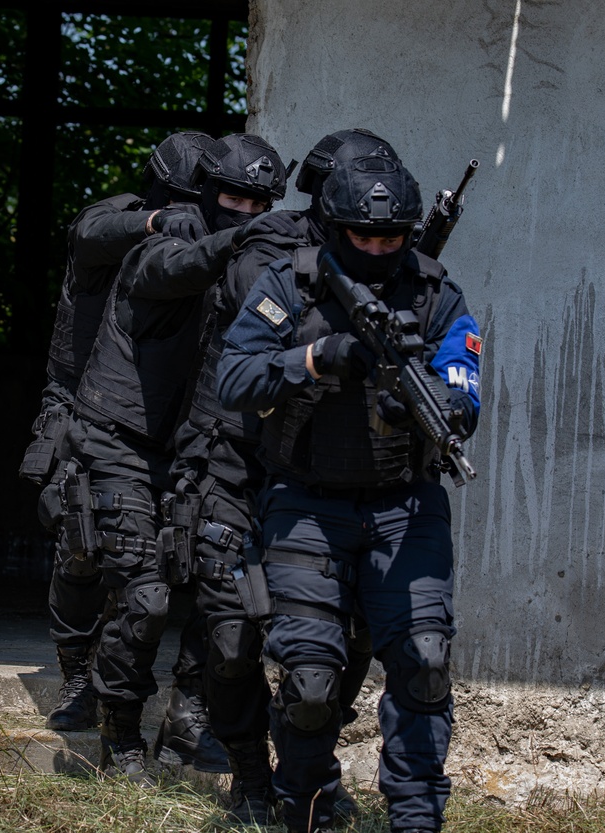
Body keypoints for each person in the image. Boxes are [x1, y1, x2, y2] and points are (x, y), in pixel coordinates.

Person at [213, 154, 482, 833]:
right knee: (309, 682)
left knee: (423, 663)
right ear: (333, 228)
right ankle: (305, 804)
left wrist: (434, 407)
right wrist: (314, 357)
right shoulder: (288, 285)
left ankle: (417, 819)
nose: (378, 249)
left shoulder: (436, 294)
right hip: (306, 504)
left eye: (391, 238)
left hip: (406, 505)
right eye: (363, 236)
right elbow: (234, 378)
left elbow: (464, 385)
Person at [158, 127, 403, 824]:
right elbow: (246, 292)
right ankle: (248, 778)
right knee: (233, 640)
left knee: (342, 639)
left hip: (325, 479)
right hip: (237, 467)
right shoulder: (272, 243)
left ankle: (312, 772)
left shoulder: (395, 266)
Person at [63, 132, 288, 786]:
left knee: (224, 591)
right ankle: (120, 735)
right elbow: (172, 267)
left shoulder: (251, 266)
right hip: (120, 440)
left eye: (259, 202)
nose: (244, 210)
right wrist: (248, 238)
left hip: (191, 451)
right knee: (147, 594)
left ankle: (190, 720)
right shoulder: (165, 243)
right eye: (233, 198)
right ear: (207, 193)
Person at [18, 132, 229, 775]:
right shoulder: (121, 219)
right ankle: (77, 675)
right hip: (85, 399)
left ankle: (177, 713)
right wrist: (158, 219)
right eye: (185, 198)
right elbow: (90, 234)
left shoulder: (204, 240)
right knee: (81, 543)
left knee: (163, 560)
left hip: (159, 407)